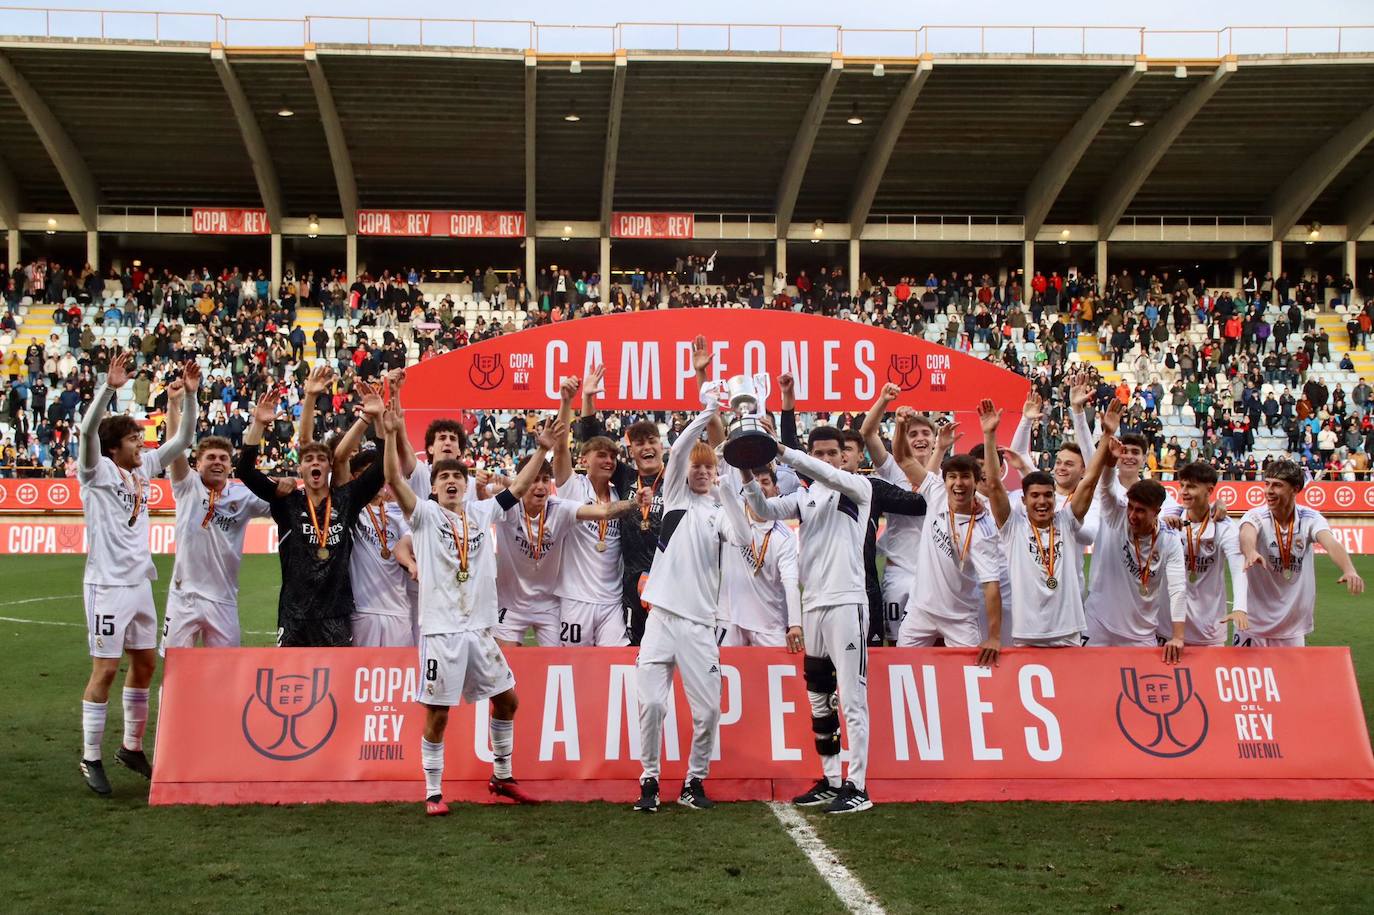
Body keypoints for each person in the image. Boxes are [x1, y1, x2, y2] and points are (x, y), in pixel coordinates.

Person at [382, 406, 560, 815]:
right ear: (434, 486)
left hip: (480, 630)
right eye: (443, 477)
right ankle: (432, 791)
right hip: (442, 632)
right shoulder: (425, 516)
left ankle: (502, 776)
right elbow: (393, 477)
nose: (450, 481)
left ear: (464, 485)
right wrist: (391, 434)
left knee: (509, 701)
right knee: (439, 712)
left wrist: (543, 451)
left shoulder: (482, 513)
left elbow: (517, 488)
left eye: (456, 477)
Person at [743, 426, 882, 814]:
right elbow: (765, 509)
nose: (823, 459)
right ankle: (831, 777)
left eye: (830, 452)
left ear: (843, 455)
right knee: (819, 697)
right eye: (817, 452)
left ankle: (858, 786)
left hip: (846, 602)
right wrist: (745, 471)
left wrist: (783, 452)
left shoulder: (856, 488)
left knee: (852, 698)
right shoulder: (805, 497)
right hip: (815, 605)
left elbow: (824, 475)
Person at [77, 351, 198, 795]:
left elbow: (182, 439)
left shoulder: (143, 470)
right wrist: (109, 388)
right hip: (107, 585)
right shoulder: (96, 470)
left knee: (145, 664)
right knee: (105, 670)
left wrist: (191, 396)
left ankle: (131, 747)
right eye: (132, 437)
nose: (140, 443)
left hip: (139, 582)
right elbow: (88, 429)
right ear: (114, 446)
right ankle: (90, 757)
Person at [634, 386, 751, 812]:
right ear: (685, 473)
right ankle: (648, 778)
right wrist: (709, 411)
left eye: (709, 468)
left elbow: (742, 536)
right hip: (661, 619)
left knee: (707, 713)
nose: (701, 472)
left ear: (716, 473)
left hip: (700, 625)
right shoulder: (676, 501)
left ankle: (693, 781)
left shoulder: (719, 512)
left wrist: (730, 488)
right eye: (697, 468)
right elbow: (681, 445)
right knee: (650, 703)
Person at [573, 338, 721, 646]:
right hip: (632, 586)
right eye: (639, 443)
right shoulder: (625, 476)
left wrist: (702, 379)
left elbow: (717, 442)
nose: (646, 447)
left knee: (682, 651)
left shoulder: (679, 477)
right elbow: (592, 441)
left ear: (662, 446)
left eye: (651, 440)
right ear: (632, 450)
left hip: (676, 581)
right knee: (637, 656)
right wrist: (588, 398)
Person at [235, 381, 386, 647]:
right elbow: (245, 472)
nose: (315, 462)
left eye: (321, 458)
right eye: (309, 459)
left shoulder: (346, 499)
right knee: (291, 682)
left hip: (336, 616)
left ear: (329, 466)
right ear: (301, 467)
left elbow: (382, 469)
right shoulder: (286, 500)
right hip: (294, 616)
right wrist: (258, 425)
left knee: (338, 685)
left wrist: (377, 419)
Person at [981, 398, 1113, 647]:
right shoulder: (1012, 527)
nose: (1042, 501)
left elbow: (1091, 479)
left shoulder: (1067, 522)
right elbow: (993, 485)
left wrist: (1107, 436)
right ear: (1024, 499)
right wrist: (989, 436)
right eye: (1035, 496)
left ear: (1055, 498)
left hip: (1068, 632)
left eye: (1047, 495)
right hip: (1026, 634)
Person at [161, 382, 274, 651]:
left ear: (230, 465)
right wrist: (174, 404)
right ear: (197, 463)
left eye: (224, 458)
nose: (217, 462)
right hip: (183, 597)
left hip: (223, 600)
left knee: (224, 674)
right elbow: (174, 446)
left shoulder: (243, 497)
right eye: (210, 457)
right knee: (176, 670)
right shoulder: (187, 485)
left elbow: (284, 504)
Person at [493, 450, 636, 648]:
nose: (541, 486)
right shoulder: (504, 509)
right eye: (534, 480)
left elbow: (603, 511)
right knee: (504, 667)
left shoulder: (560, 508)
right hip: (510, 605)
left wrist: (636, 502)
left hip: (549, 605)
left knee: (560, 664)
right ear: (522, 481)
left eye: (545, 480)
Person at [1081, 402, 1188, 662]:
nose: (1133, 515)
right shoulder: (1118, 514)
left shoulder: (1169, 538)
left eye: (1141, 511)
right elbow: (1105, 487)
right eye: (1131, 508)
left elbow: (1177, 588)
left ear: (1157, 511)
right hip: (1098, 623)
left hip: (1141, 632)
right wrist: (1108, 455)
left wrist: (1178, 636)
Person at [893, 412, 1004, 662]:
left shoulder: (983, 527)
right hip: (920, 609)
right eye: (952, 477)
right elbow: (902, 457)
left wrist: (995, 637)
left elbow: (990, 586)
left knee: (972, 674)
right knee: (902, 665)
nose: (959, 483)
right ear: (944, 481)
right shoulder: (935, 492)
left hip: (960, 617)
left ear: (976, 481)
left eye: (966, 477)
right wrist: (900, 425)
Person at [1238, 460, 1364, 646]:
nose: (1269, 491)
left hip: (1292, 628)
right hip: (1251, 625)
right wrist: (1250, 551)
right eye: (1267, 484)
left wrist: (1349, 569)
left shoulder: (1310, 518)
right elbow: (1246, 532)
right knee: (1249, 676)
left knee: (1290, 676)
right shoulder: (1256, 515)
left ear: (1295, 489)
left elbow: (1330, 542)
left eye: (1277, 485)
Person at [1161, 462, 1249, 647]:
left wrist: (1240, 607)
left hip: (1209, 629)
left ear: (1209, 490)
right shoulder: (1169, 521)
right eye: (1182, 485)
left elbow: (1238, 568)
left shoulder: (1225, 527)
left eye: (1191, 486)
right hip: (1169, 628)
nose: (1184, 491)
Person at [715, 464, 803, 649]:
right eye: (754, 482)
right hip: (729, 617)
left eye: (765, 482)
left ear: (776, 490)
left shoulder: (784, 536)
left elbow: (790, 581)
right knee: (718, 675)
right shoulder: (732, 515)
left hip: (769, 623)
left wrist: (795, 624)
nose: (759, 487)